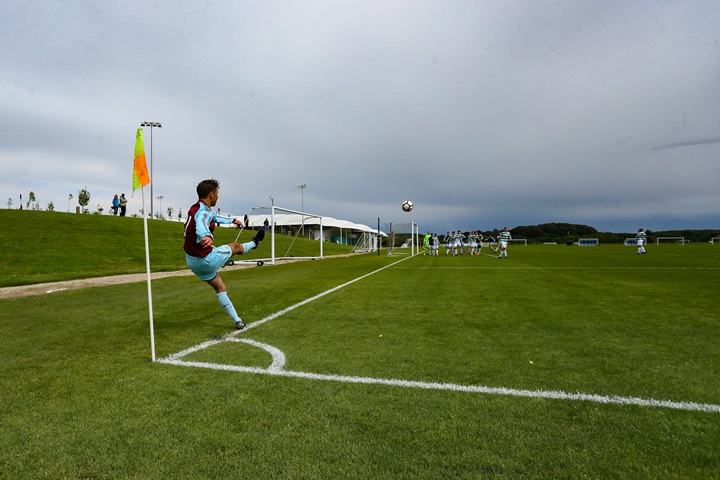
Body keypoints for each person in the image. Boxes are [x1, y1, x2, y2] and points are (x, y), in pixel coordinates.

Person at [184, 179, 265, 330]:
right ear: (211, 194)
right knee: (235, 246)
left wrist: (232, 220)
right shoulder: (202, 212)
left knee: (220, 288)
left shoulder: (197, 208)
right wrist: (206, 235)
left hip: (192, 262)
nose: (218, 196)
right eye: (217, 193)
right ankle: (254, 243)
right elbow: (201, 223)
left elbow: (213, 217)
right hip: (206, 260)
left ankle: (238, 321)